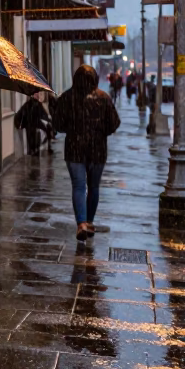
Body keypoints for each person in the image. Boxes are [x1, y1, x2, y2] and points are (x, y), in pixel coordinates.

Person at [51, 65, 121, 240]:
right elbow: (114, 123)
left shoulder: (67, 97)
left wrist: (73, 128)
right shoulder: (104, 98)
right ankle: (89, 221)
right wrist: (100, 132)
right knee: (94, 186)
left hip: (74, 149)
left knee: (79, 186)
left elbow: (58, 125)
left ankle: (81, 223)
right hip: (97, 150)